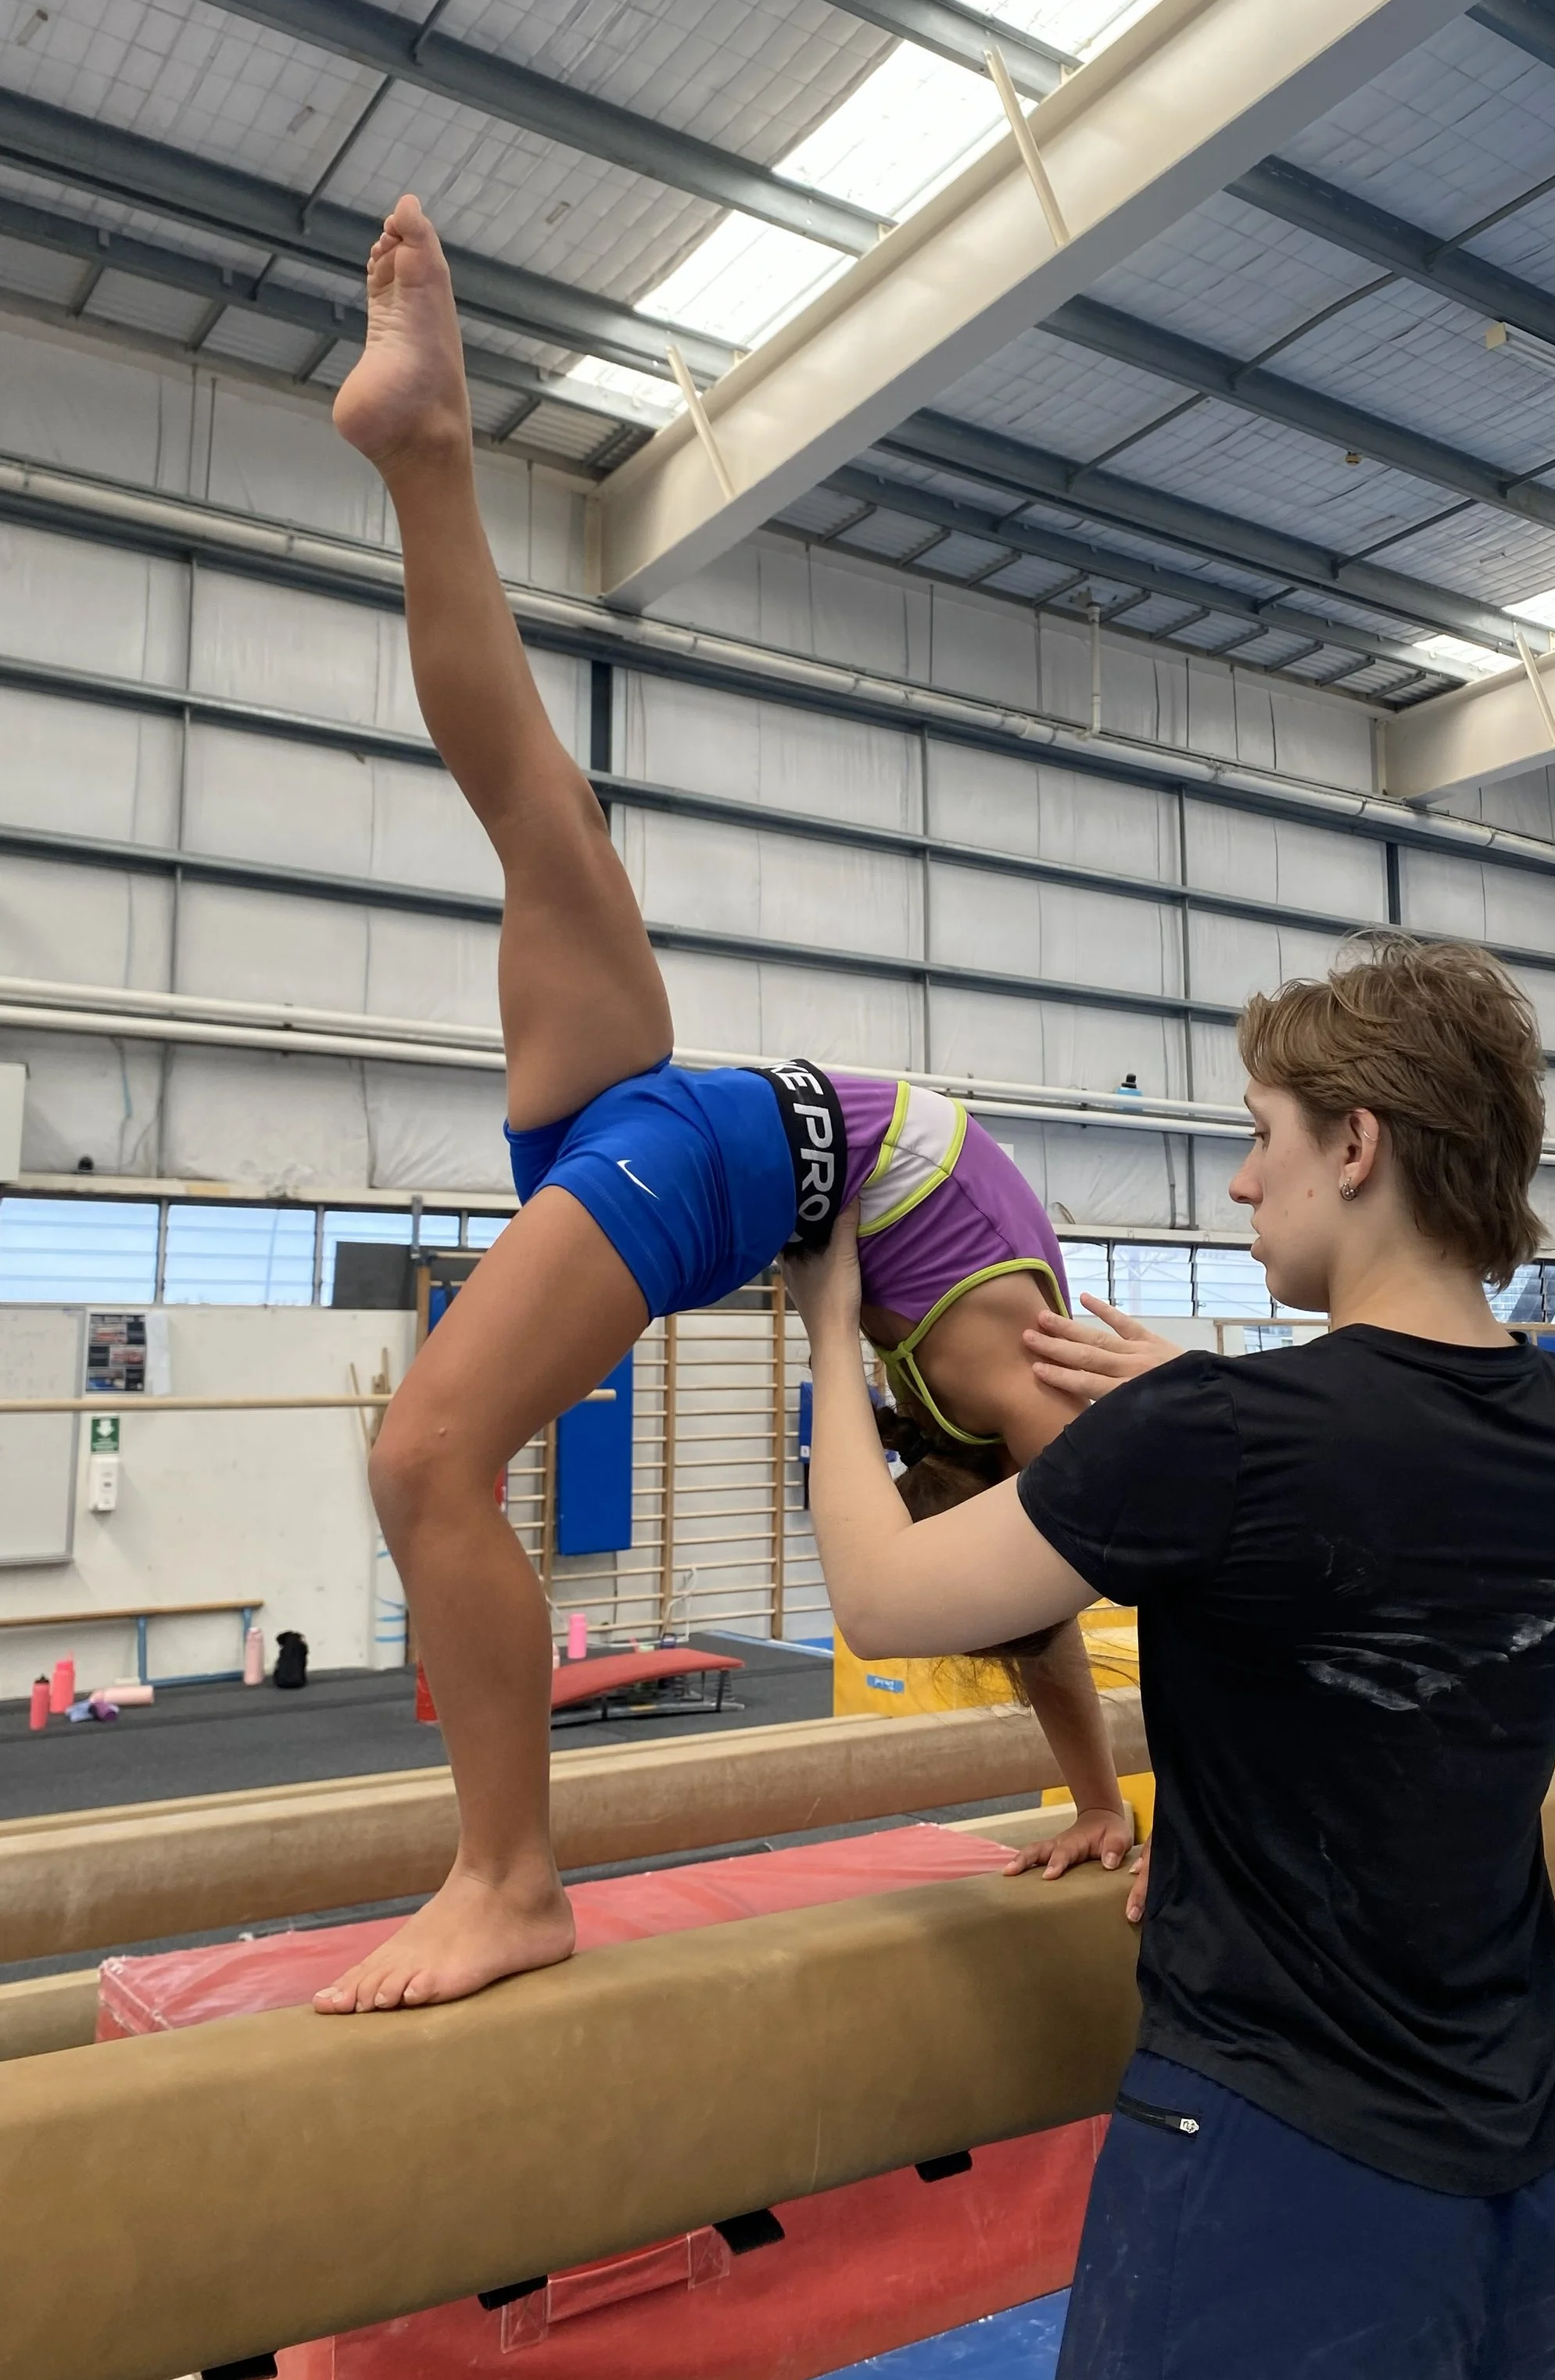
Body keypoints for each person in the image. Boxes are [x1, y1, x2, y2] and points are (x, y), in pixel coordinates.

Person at [312, 195, 1130, 2016]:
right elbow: (1112, 1562)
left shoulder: (959, 1399)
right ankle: (513, 1879)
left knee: (542, 817)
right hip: (724, 1155)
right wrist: (1184, 1812)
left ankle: (429, 458)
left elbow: (1040, 1627)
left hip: (707, 1136)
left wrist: (1096, 1800)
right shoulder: (1011, 1388)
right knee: (429, 1456)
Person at [789, 937, 1555, 2380]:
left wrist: (821, 1329)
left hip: (1282, 2155)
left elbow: (877, 1597)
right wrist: (1194, 1400)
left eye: (1261, 1138)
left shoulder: (1219, 1443)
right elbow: (1388, 1477)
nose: (1243, 1182)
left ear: (1356, 1146)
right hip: (1537, 2148)